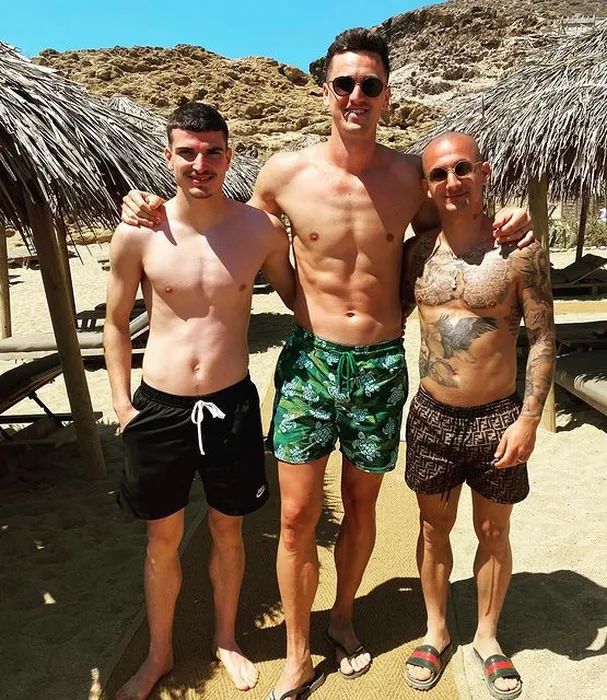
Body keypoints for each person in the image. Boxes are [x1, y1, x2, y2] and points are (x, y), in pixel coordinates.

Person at [121, 29, 534, 700]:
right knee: (294, 517)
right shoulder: (283, 174)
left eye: (370, 85)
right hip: (309, 361)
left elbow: (462, 224)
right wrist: (146, 207)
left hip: (379, 364)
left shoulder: (412, 177)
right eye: (344, 83)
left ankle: (341, 617)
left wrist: (511, 217)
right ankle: (295, 651)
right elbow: (221, 226)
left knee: (364, 505)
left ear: (387, 95)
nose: (356, 96)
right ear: (326, 93)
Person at [104, 102, 295, 700]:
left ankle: (226, 638)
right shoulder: (139, 231)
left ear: (228, 156)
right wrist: (123, 406)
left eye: (212, 151)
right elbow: (115, 322)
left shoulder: (259, 230)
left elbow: (303, 294)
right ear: (169, 157)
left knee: (228, 532)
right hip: (158, 409)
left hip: (230, 405)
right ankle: (159, 653)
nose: (200, 163)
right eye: (187, 152)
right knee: (161, 540)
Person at [400, 131, 555, 698]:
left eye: (462, 169)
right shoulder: (417, 253)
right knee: (432, 529)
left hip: (498, 416)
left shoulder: (520, 251)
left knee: (493, 530)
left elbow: (543, 338)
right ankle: (436, 630)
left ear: (483, 173)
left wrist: (529, 419)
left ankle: (488, 636)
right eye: (439, 174)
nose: (452, 182)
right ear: (427, 186)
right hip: (432, 416)